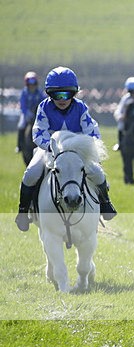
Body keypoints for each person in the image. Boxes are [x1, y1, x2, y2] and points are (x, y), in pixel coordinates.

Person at [15, 66, 117, 232]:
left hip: (76, 152)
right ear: (49, 94)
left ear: (74, 93)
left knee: (98, 173)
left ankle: (106, 204)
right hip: (49, 149)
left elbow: (92, 131)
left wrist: (87, 148)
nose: (62, 99)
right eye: (56, 95)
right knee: (31, 173)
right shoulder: (43, 107)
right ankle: (23, 212)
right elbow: (38, 133)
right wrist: (51, 147)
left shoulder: (81, 108)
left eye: (67, 94)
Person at [17, 71, 46, 154]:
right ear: (27, 84)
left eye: (33, 83)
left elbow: (43, 101)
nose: (32, 86)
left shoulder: (39, 92)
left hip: (38, 114)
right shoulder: (24, 92)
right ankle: (19, 146)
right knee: (21, 125)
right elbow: (23, 105)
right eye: (30, 84)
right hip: (26, 113)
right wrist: (27, 113)